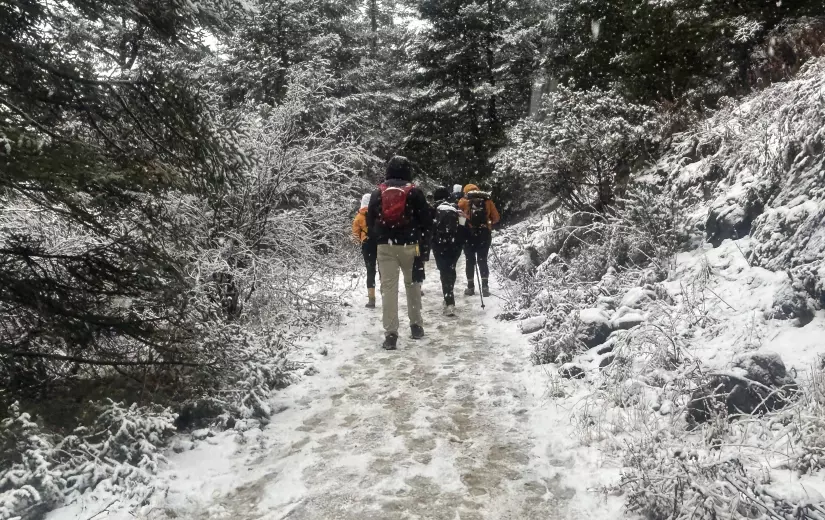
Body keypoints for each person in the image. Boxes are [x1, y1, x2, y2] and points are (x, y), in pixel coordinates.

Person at [366, 156, 432, 350]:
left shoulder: (377, 192)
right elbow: (427, 223)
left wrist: (380, 238)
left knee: (389, 289)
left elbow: (370, 221)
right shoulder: (415, 192)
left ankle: (391, 334)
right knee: (412, 285)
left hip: (385, 246)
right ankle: (416, 325)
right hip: (410, 245)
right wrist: (423, 249)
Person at [430, 186, 469, 316]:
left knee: (444, 271)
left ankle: (449, 300)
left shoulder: (434, 210)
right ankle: (449, 298)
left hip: (439, 245)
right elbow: (464, 227)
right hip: (455, 244)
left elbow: (429, 228)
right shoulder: (455, 209)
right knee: (451, 269)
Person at [458, 184, 500, 297]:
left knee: (470, 261)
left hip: (469, 234)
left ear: (465, 191)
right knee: (482, 259)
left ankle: (471, 287)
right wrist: (487, 223)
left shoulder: (463, 202)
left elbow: (459, 218)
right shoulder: (487, 201)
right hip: (484, 234)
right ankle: (485, 286)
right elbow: (496, 218)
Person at [352, 193, 377, 308]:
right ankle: (387, 295)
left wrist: (359, 241)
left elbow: (355, 236)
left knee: (370, 271)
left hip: (367, 245)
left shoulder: (358, 217)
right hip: (379, 243)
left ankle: (372, 299)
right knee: (384, 270)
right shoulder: (378, 214)